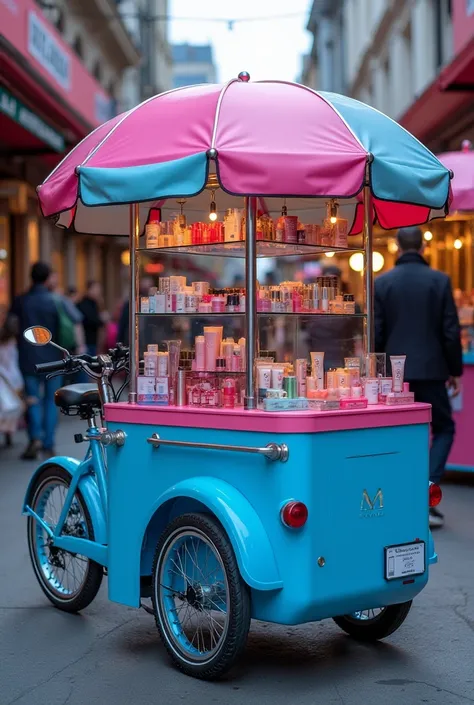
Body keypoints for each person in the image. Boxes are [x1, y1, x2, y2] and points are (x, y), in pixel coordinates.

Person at [375, 226, 463, 528]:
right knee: (444, 428)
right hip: (431, 370)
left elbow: (376, 333)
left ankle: (399, 494)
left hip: (394, 374)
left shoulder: (382, 283)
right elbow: (451, 332)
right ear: (423, 248)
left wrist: (376, 373)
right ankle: (428, 485)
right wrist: (455, 370)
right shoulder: (439, 281)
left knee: (397, 433)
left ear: (397, 246)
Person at [8, 262, 63, 459]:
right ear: (48, 278)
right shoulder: (55, 300)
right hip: (53, 357)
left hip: (28, 357)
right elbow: (66, 326)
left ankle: (35, 439)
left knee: (33, 399)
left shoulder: (21, 300)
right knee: (51, 400)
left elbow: (11, 326)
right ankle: (48, 443)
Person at [0, 309, 24, 446]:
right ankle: (8, 432)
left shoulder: (8, 340)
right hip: (8, 377)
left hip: (5, 377)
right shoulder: (12, 341)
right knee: (10, 407)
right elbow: (11, 363)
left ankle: (8, 432)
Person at [117, 276, 154, 345]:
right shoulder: (130, 304)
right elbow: (123, 324)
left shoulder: (154, 305)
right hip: (132, 340)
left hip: (148, 341)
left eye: (148, 288)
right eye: (144, 288)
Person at [78, 281, 105, 356]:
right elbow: (94, 320)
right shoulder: (84, 304)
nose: (98, 292)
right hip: (86, 341)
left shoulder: (95, 303)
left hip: (93, 340)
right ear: (89, 290)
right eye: (96, 289)